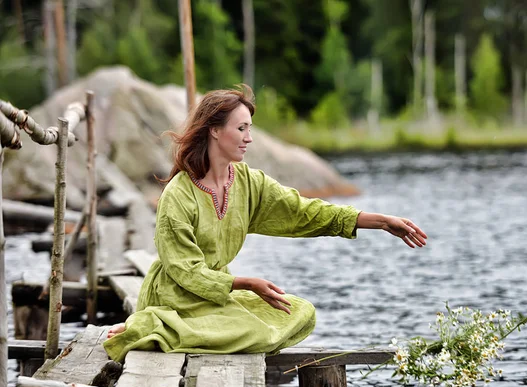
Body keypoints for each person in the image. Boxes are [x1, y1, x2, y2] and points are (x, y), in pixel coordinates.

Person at [102, 84, 427, 363]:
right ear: (215, 130)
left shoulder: (247, 182)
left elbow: (304, 212)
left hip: (217, 298)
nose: (249, 138)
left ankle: (186, 334)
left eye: (250, 128)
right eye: (241, 128)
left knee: (300, 313)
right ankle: (152, 327)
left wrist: (380, 222)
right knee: (257, 328)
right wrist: (245, 284)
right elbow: (185, 271)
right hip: (176, 296)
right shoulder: (179, 194)